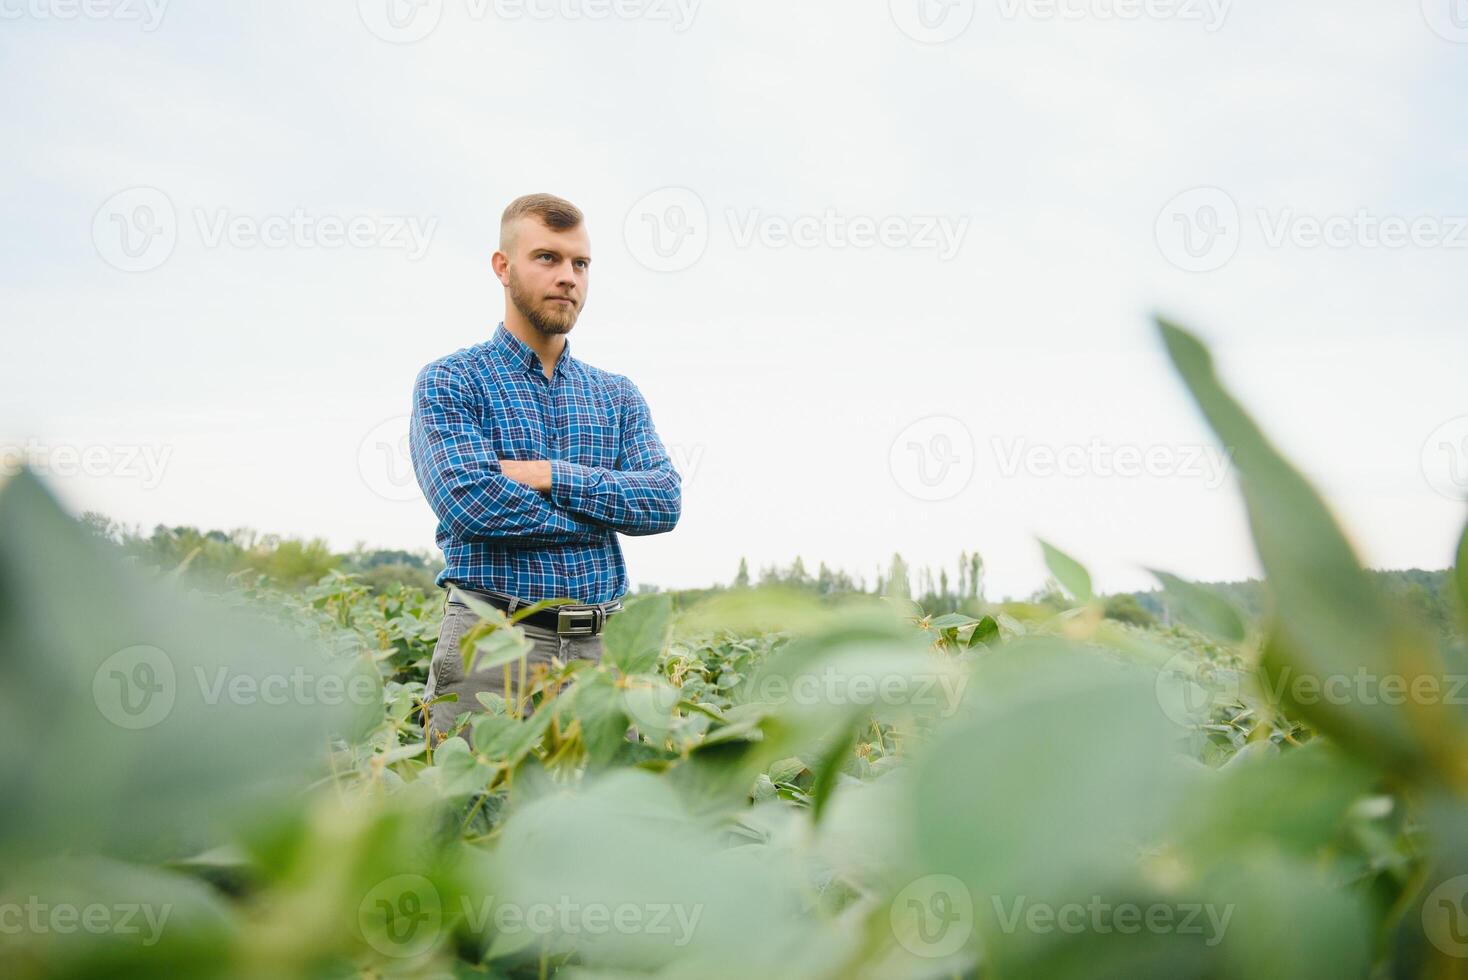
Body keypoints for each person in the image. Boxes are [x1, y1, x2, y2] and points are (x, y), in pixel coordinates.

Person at [408, 192, 682, 745]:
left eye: (580, 263)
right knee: (472, 821)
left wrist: (551, 475)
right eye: (547, 258)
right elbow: (472, 503)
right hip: (487, 644)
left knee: (602, 826)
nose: (568, 277)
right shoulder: (452, 381)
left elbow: (663, 501)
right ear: (502, 267)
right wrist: (604, 514)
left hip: (599, 655)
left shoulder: (617, 396)